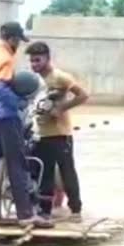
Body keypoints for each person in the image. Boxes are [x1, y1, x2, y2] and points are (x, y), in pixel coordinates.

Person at [0, 22, 52, 227]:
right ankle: (26, 215)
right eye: (18, 41)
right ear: (13, 38)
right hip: (7, 118)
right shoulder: (5, 58)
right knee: (17, 164)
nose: (18, 45)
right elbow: (1, 88)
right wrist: (20, 104)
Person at [25, 42, 89, 221]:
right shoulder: (35, 81)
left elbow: (83, 96)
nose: (34, 65)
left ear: (47, 58)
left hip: (61, 134)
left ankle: (76, 210)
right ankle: (45, 210)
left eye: (38, 60)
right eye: (32, 61)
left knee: (67, 171)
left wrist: (61, 108)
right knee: (44, 173)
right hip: (41, 134)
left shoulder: (61, 77)